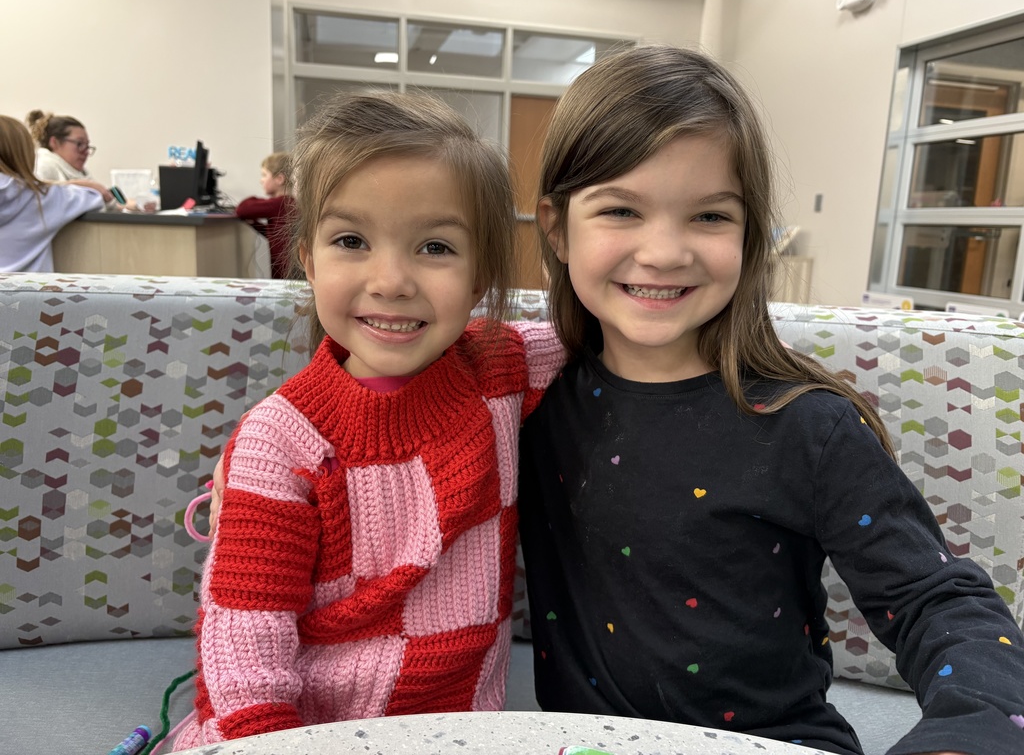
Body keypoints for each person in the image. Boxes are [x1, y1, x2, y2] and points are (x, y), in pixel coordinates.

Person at [516, 44, 1024, 755]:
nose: (664, 251)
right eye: (621, 209)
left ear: (751, 233)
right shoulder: (519, 402)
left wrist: (972, 727)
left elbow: (938, 603)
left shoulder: (808, 426)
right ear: (555, 228)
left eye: (709, 217)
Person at [170, 91, 564, 749]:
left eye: (435, 247)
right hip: (304, 737)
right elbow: (244, 665)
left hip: (462, 733)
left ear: (479, 278)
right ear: (307, 257)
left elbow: (608, 332)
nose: (391, 280)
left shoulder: (501, 368)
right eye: (351, 240)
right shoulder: (279, 445)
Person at [0, 115, 108, 272]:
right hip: (29, 293)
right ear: (24, 153)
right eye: (79, 144)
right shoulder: (42, 197)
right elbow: (96, 194)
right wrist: (62, 185)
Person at [235, 151, 296, 278]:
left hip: (285, 273)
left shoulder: (278, 204)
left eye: (264, 175)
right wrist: (256, 225)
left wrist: (253, 200)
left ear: (279, 179)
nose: (261, 180)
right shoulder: (290, 202)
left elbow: (242, 209)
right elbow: (278, 236)